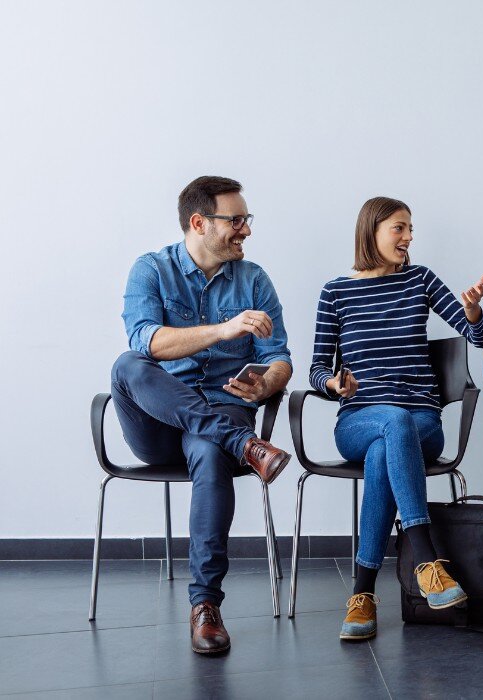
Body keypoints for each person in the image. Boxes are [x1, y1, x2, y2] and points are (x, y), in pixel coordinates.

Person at [114, 176, 293, 655]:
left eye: (246, 220)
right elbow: (148, 342)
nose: (245, 230)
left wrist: (267, 383)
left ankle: (205, 606)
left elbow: (280, 356)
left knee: (210, 451)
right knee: (128, 365)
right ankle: (243, 446)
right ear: (199, 223)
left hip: (223, 409)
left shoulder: (254, 279)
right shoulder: (150, 270)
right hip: (158, 424)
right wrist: (224, 329)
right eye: (235, 221)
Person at [309, 196, 483, 641]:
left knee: (385, 448)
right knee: (388, 425)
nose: (409, 238)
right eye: (400, 228)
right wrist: (334, 386)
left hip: (421, 421)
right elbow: (316, 369)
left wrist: (471, 311)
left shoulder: (420, 281)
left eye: (411, 229)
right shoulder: (336, 292)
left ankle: (362, 594)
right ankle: (427, 561)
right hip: (358, 419)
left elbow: (479, 337)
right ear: (372, 230)